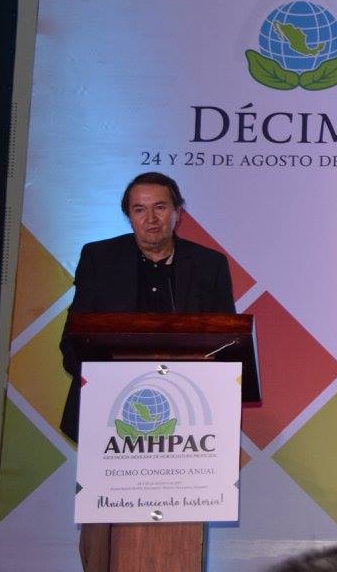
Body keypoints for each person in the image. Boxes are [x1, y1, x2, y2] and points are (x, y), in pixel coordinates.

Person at [58, 172, 237, 572]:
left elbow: (227, 344)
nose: (150, 219)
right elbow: (73, 342)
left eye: (160, 207)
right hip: (110, 420)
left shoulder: (208, 265)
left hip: (188, 422)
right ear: (128, 216)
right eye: (139, 210)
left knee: (177, 524)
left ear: (178, 212)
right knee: (104, 535)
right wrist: (103, 382)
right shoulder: (99, 259)